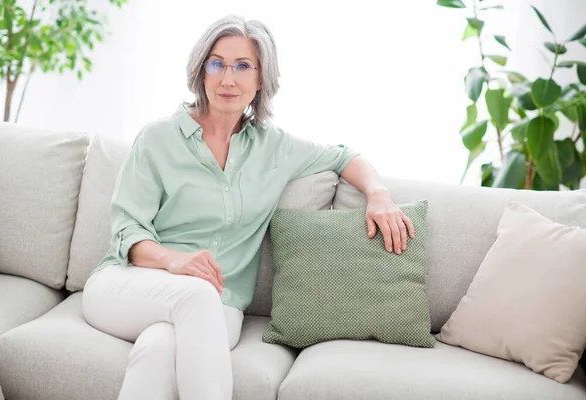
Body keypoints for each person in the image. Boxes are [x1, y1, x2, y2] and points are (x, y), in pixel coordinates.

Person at [82, 14, 415, 400]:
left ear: (260, 79)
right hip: (127, 286)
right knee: (195, 295)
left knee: (159, 346)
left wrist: (379, 195)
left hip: (220, 307)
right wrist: (174, 260)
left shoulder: (274, 148)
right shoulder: (158, 139)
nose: (228, 78)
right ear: (201, 71)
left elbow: (343, 156)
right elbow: (128, 229)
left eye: (243, 66)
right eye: (217, 63)